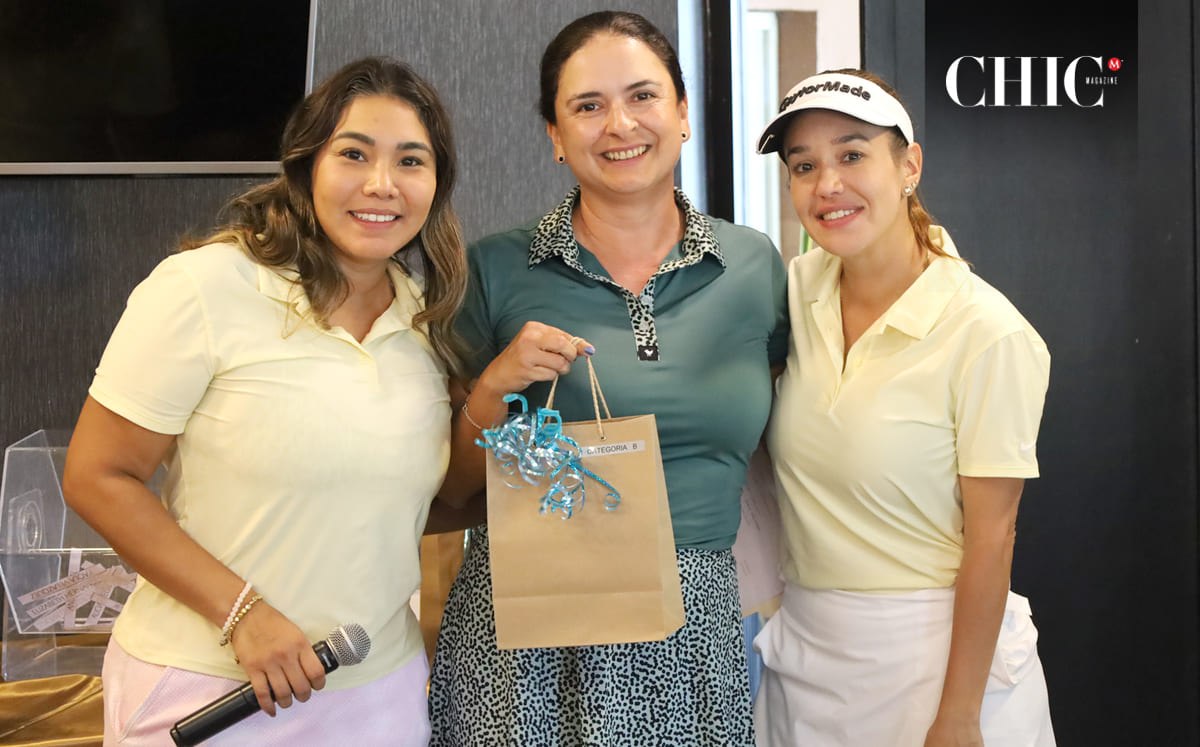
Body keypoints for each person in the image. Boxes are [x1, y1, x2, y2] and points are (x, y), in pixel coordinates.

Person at [61, 56, 467, 746]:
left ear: (436, 183)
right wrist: (243, 614)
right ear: (305, 166)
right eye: (354, 154)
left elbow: (419, 502)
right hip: (210, 690)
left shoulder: (435, 320)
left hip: (379, 692)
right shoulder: (204, 285)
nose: (381, 184)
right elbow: (97, 477)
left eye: (410, 161)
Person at [425, 11, 788, 746]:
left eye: (643, 96)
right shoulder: (493, 270)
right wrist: (496, 384)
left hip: (693, 624)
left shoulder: (753, 266)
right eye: (587, 106)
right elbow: (450, 493)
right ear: (556, 138)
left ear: (683, 114)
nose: (619, 124)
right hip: (527, 629)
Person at [752, 69, 1056, 746]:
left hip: (937, 663)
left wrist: (959, 716)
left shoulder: (987, 332)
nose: (827, 183)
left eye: (852, 155)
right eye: (804, 165)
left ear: (908, 165)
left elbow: (992, 540)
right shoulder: (793, 291)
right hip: (807, 658)